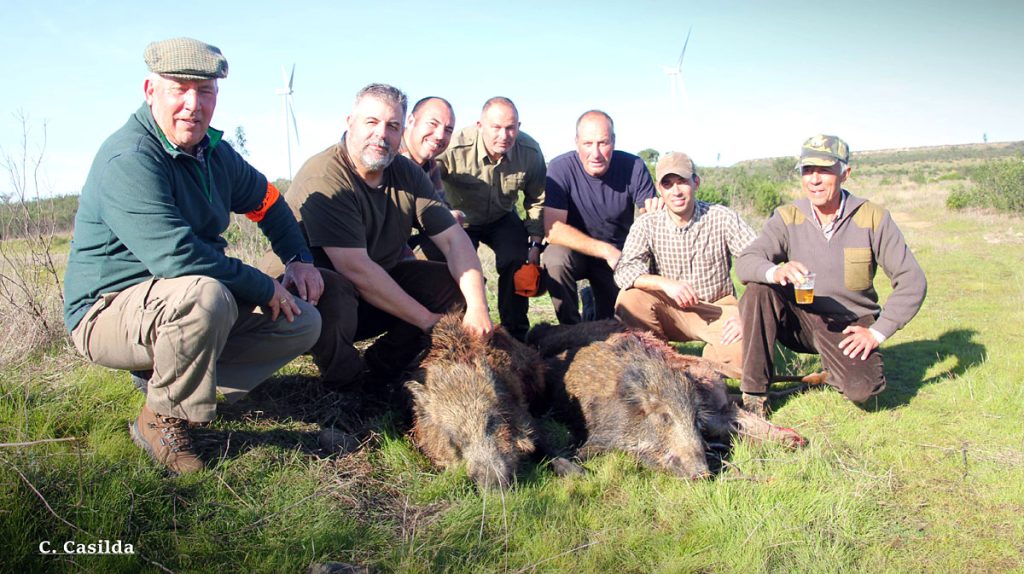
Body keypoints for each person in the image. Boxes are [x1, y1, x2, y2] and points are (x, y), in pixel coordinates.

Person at [63, 38, 322, 474]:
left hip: (178, 302)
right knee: (206, 296)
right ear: (150, 91)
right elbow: (178, 258)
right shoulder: (130, 158)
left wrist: (298, 258)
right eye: (178, 89)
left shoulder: (215, 155)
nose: (192, 104)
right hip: (106, 311)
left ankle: (175, 383)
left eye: (204, 92)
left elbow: (270, 202)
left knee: (304, 322)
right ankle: (161, 420)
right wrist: (263, 285)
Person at [267, 83, 492, 390]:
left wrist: (478, 306)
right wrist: (429, 321)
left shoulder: (408, 173)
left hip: (367, 295)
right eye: (371, 122)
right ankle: (346, 386)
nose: (382, 134)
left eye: (392, 126)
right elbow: (354, 268)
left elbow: (454, 240)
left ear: (402, 131)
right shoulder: (326, 174)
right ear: (350, 123)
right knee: (333, 287)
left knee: (453, 287)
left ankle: (382, 369)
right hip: (298, 302)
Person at [735, 134, 927, 415]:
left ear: (844, 173)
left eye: (824, 170)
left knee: (862, 390)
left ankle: (833, 371)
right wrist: (777, 271)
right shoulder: (787, 216)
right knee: (758, 290)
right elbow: (746, 262)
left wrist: (876, 333)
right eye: (807, 170)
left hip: (846, 326)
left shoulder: (873, 217)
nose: (814, 179)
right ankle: (754, 394)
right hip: (798, 320)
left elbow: (912, 281)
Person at [614, 152, 756, 378]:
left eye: (682, 182)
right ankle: (659, 362)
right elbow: (624, 271)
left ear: (696, 182)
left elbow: (757, 262)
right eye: (668, 184)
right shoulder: (647, 224)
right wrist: (665, 284)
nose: (676, 191)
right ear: (659, 190)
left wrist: (745, 313)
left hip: (716, 308)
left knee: (743, 355)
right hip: (669, 308)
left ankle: (702, 370)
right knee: (628, 299)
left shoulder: (721, 217)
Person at [432, 97, 546, 340]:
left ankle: (515, 334)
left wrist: (535, 244)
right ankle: (460, 331)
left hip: (502, 216)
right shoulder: (453, 148)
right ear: (480, 125)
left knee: (516, 259)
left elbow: (536, 199)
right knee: (453, 267)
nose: (504, 135)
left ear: (518, 126)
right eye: (496, 127)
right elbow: (425, 182)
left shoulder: (530, 151)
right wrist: (442, 213)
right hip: (460, 220)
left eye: (511, 127)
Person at [543, 110, 657, 324]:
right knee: (554, 258)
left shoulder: (634, 166)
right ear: (576, 143)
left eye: (603, 143)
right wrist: (605, 251)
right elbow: (553, 229)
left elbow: (651, 219)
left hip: (619, 256)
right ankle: (571, 330)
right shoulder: (560, 167)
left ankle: (591, 305)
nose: (595, 153)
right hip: (579, 252)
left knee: (614, 325)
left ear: (613, 141)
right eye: (588, 144)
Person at [399, 96, 464, 252]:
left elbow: (439, 204)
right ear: (410, 121)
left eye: (448, 130)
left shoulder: (429, 162)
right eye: (432, 124)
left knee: (453, 239)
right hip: (361, 248)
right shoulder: (389, 156)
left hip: (397, 246)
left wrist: (450, 216)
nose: (440, 135)